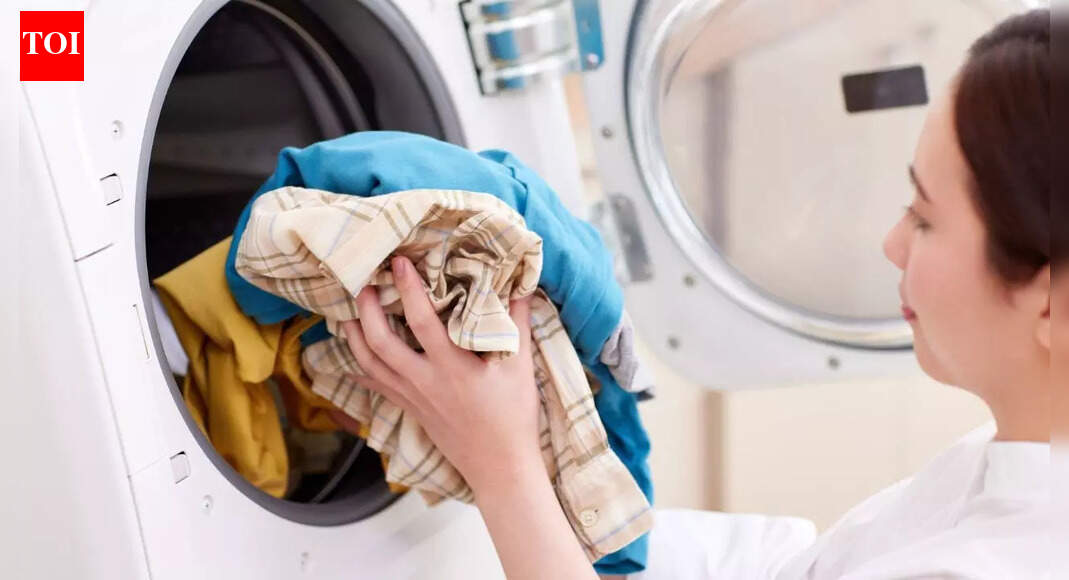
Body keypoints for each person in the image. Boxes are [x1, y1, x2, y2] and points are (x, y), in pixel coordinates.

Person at [330, 8, 1052, 579]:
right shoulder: (1000, 466)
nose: (892, 244)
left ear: (1047, 299)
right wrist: (572, 506)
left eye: (924, 218)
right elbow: (798, 571)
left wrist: (502, 465)